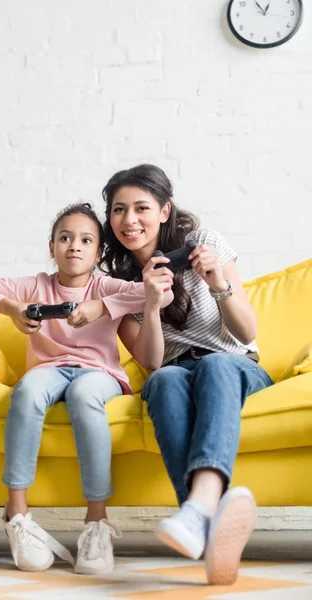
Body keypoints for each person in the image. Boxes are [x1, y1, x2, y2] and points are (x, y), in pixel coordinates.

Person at [0, 202, 174, 576]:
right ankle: (18, 516)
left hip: (98, 373)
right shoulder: (35, 286)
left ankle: (96, 522)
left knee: (84, 396)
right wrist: (12, 308)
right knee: (25, 393)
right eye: (65, 238)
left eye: (86, 240)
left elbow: (161, 294)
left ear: (99, 252)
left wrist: (102, 307)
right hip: (48, 369)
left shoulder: (105, 285)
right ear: (52, 246)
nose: (75, 246)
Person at [100, 164, 274, 586]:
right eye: (119, 210)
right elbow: (153, 363)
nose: (130, 220)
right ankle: (210, 535)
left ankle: (198, 508)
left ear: (164, 211)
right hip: (175, 369)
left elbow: (247, 333)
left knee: (213, 363)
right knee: (163, 382)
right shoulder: (116, 286)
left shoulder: (206, 244)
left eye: (142, 207)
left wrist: (217, 284)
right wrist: (152, 303)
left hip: (234, 367)